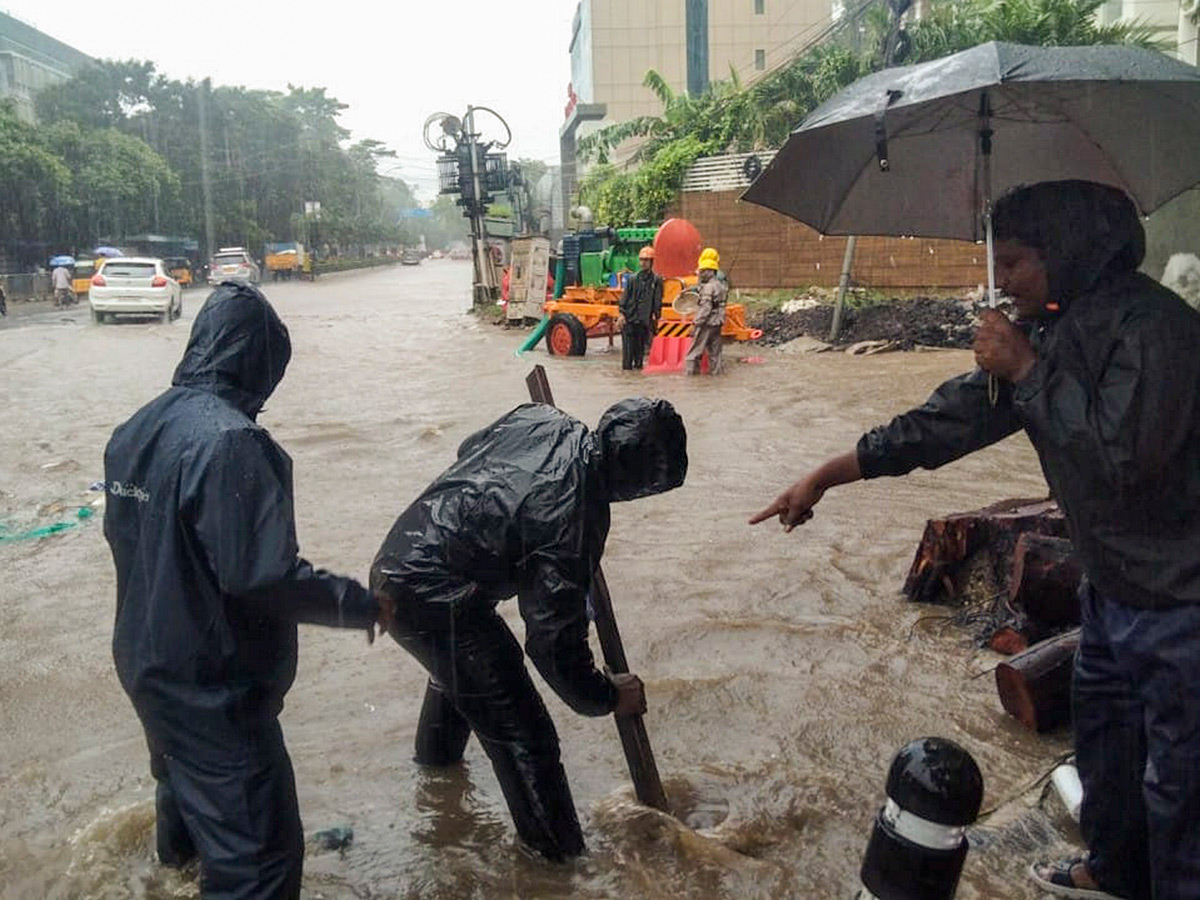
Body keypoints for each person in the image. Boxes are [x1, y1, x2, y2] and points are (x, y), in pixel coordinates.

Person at [750, 180, 1200, 900]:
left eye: (1015, 261)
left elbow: (1120, 462)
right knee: (1108, 754)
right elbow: (948, 422)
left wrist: (1026, 368)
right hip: (1112, 592)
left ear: (1068, 255)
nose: (1002, 280)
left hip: (1181, 600)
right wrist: (826, 475)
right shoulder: (1059, 332)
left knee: (1181, 786)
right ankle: (1114, 871)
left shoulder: (1154, 332)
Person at [103, 282, 391, 899]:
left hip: (148, 665)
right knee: (259, 865)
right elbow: (258, 576)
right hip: (214, 690)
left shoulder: (137, 428)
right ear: (256, 362)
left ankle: (175, 876)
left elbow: (134, 545)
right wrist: (359, 604)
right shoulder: (232, 441)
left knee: (182, 798)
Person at [371, 398, 688, 861]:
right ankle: (555, 864)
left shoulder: (543, 418)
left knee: (468, 671)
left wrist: (515, 546)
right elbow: (553, 645)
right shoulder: (574, 521)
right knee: (527, 736)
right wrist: (606, 695)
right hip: (434, 595)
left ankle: (436, 780)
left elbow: (469, 450)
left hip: (400, 556)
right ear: (638, 482)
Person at [617, 246, 663, 370]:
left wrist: (656, 319)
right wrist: (621, 314)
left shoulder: (656, 281)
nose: (643, 263)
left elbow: (657, 301)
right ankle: (628, 380)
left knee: (639, 357)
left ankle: (637, 379)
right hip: (629, 320)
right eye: (642, 260)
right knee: (627, 358)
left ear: (651, 262)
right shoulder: (633, 279)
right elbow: (624, 299)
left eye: (646, 260)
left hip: (643, 322)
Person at [684, 247, 727, 375]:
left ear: (709, 271)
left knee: (693, 354)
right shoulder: (721, 285)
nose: (700, 274)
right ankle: (716, 378)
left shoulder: (708, 288)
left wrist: (695, 323)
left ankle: (691, 379)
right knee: (715, 355)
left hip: (706, 324)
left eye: (702, 271)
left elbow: (705, 308)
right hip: (718, 322)